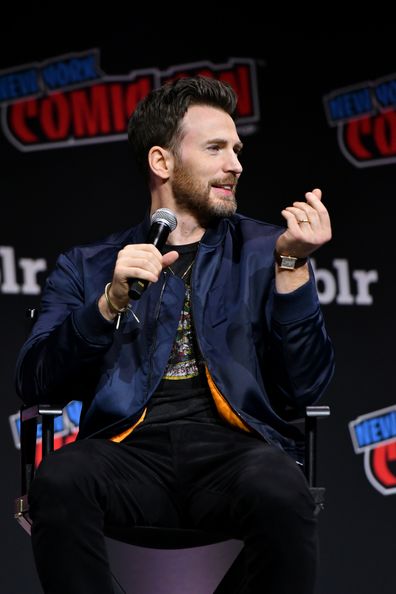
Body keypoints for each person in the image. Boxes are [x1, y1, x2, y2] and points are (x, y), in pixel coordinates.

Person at [16, 76, 334, 594]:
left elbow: (305, 388)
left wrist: (294, 270)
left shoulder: (268, 250)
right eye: (216, 148)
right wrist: (107, 304)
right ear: (162, 162)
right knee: (59, 480)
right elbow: (34, 380)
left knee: (281, 488)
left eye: (237, 148)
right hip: (126, 453)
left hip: (235, 453)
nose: (236, 163)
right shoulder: (88, 265)